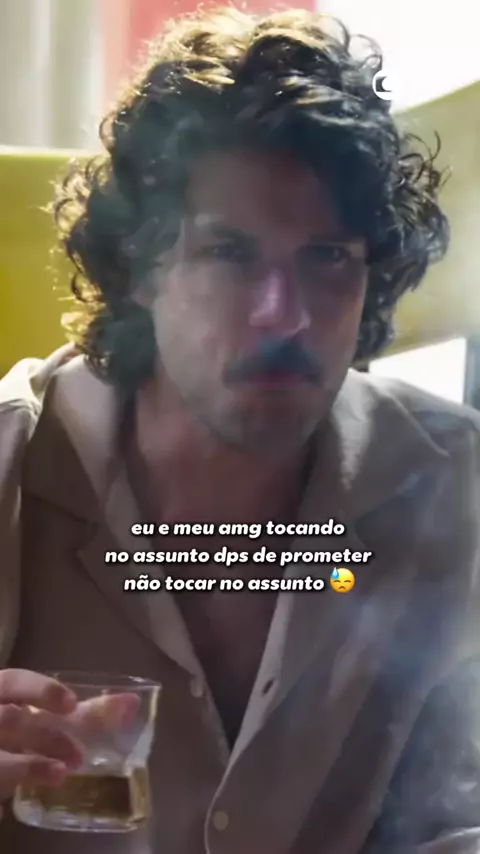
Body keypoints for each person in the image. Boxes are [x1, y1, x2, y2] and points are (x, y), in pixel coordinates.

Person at [0, 5, 479, 853]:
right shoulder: (14, 465)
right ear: (140, 266)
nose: (283, 316)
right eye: (228, 253)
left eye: (328, 257)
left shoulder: (453, 485)